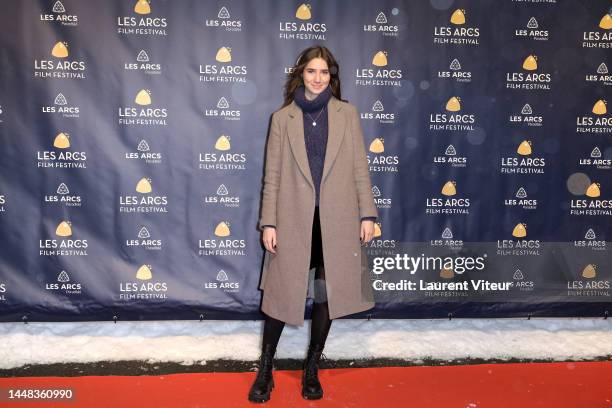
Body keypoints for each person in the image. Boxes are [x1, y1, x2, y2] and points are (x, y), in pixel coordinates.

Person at [249, 45, 378, 403]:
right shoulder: (282, 118)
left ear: (331, 76)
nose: (318, 79)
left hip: (336, 220)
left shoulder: (347, 114)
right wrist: (268, 222)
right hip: (291, 220)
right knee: (279, 297)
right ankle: (265, 369)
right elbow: (271, 176)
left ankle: (311, 368)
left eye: (324, 73)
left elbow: (359, 168)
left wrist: (367, 213)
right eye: (311, 72)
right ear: (300, 75)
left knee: (325, 294)